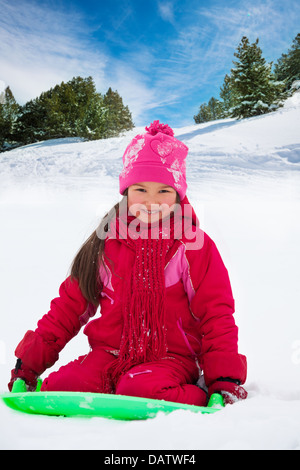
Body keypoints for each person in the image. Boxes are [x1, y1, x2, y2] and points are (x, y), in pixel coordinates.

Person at [8, 121, 247, 406]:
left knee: (140, 388)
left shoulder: (192, 245)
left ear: (179, 194)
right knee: (62, 386)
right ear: (125, 191)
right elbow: (69, 307)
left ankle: (194, 394)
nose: (151, 202)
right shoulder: (107, 243)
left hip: (171, 359)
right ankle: (111, 383)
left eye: (164, 191)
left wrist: (223, 380)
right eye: (141, 189)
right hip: (110, 354)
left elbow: (215, 314)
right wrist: (29, 366)